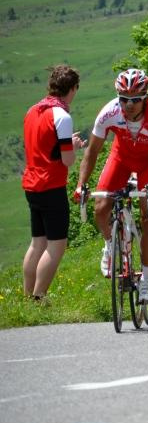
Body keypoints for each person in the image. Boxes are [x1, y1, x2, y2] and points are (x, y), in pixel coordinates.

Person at [75, 68, 148, 304]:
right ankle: (111, 245)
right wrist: (81, 185)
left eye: (135, 100)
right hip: (120, 158)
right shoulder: (109, 112)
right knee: (100, 207)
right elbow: (93, 151)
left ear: (145, 97)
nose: (129, 105)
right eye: (124, 99)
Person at [22, 65, 83, 301]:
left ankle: (27, 297)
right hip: (51, 186)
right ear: (73, 88)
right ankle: (40, 297)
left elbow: (43, 148)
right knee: (56, 245)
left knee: (37, 242)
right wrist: (74, 146)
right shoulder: (62, 116)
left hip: (31, 184)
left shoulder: (32, 110)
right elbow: (67, 160)